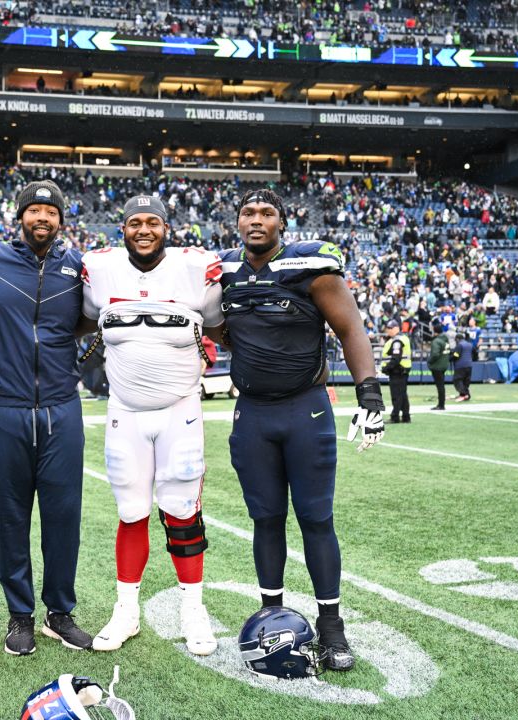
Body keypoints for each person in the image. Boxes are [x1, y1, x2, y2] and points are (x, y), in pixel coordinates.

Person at [217, 189, 385, 673]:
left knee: (315, 518)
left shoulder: (312, 266)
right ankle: (271, 617)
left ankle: (332, 628)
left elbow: (351, 328)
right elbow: (211, 320)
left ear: (281, 224)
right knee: (265, 517)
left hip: (304, 410)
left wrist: (369, 396)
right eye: (248, 212)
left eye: (266, 213)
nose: (256, 220)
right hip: (252, 412)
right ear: (237, 221)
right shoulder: (223, 270)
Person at [81, 195, 224, 656]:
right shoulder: (99, 269)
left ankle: (193, 610)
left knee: (182, 507)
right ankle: (126, 611)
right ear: (122, 229)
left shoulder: (197, 266)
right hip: (125, 410)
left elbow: (222, 325)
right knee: (130, 511)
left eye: (153, 222)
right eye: (134, 223)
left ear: (168, 227)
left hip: (180, 409)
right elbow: (81, 320)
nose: (144, 230)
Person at [0, 181, 93, 654]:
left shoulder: (78, 267)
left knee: (63, 515)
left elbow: (91, 316)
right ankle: (20, 616)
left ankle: (60, 613)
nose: (42, 218)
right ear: (21, 217)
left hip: (60, 405)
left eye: (50, 212)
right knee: (11, 516)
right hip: (1, 406)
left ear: (60, 220)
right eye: (34, 210)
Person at [381, 320, 411, 424]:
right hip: (402, 370)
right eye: (388, 328)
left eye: (390, 328)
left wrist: (386, 368)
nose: (388, 330)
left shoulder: (397, 341)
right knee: (402, 395)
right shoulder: (401, 339)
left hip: (397, 370)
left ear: (396, 328)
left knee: (396, 395)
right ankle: (406, 416)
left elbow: (396, 358)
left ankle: (395, 416)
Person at [427, 323, 451, 411]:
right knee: (441, 386)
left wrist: (429, 361)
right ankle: (441, 404)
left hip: (437, 366)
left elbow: (435, 354)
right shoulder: (445, 339)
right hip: (444, 364)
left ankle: (441, 404)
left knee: (440, 386)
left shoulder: (436, 341)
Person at [452, 332, 475, 402]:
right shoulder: (470, 344)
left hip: (460, 366)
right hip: (469, 365)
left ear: (457, 339)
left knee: (457, 380)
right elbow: (475, 353)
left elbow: (456, 355)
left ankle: (465, 394)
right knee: (465, 381)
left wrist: (450, 359)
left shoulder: (459, 345)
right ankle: (463, 395)